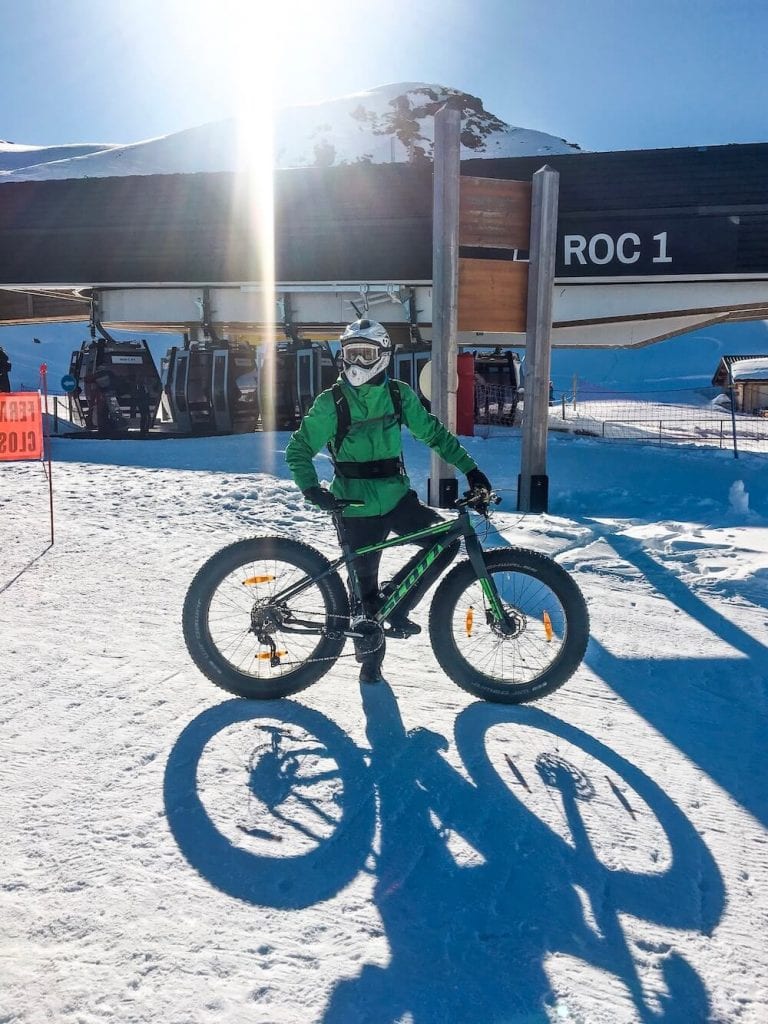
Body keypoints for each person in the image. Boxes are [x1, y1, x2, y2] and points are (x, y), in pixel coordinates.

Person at [285, 318, 493, 684]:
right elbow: (299, 449)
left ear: (383, 356)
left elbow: (435, 435)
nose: (357, 364)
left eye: (366, 355)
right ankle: (370, 665)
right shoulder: (332, 402)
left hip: (398, 498)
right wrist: (311, 488)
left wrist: (470, 470)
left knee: (443, 543)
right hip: (354, 506)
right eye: (351, 355)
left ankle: (396, 602)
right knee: (365, 599)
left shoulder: (398, 395)